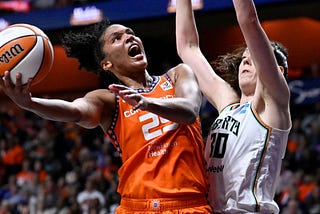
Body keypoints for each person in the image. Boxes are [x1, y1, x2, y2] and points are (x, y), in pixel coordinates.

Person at [0, 19, 212, 213]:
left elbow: (189, 109)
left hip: (190, 204)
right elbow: (74, 110)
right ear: (106, 63)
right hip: (136, 206)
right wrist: (30, 103)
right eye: (116, 38)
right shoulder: (110, 100)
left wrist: (147, 103)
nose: (129, 37)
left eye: (130, 33)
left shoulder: (177, 75)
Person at [176, 0, 292, 213]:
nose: (245, 62)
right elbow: (187, 48)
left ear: (278, 72)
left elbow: (248, 20)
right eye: (243, 59)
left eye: (252, 58)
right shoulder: (227, 104)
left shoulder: (273, 103)